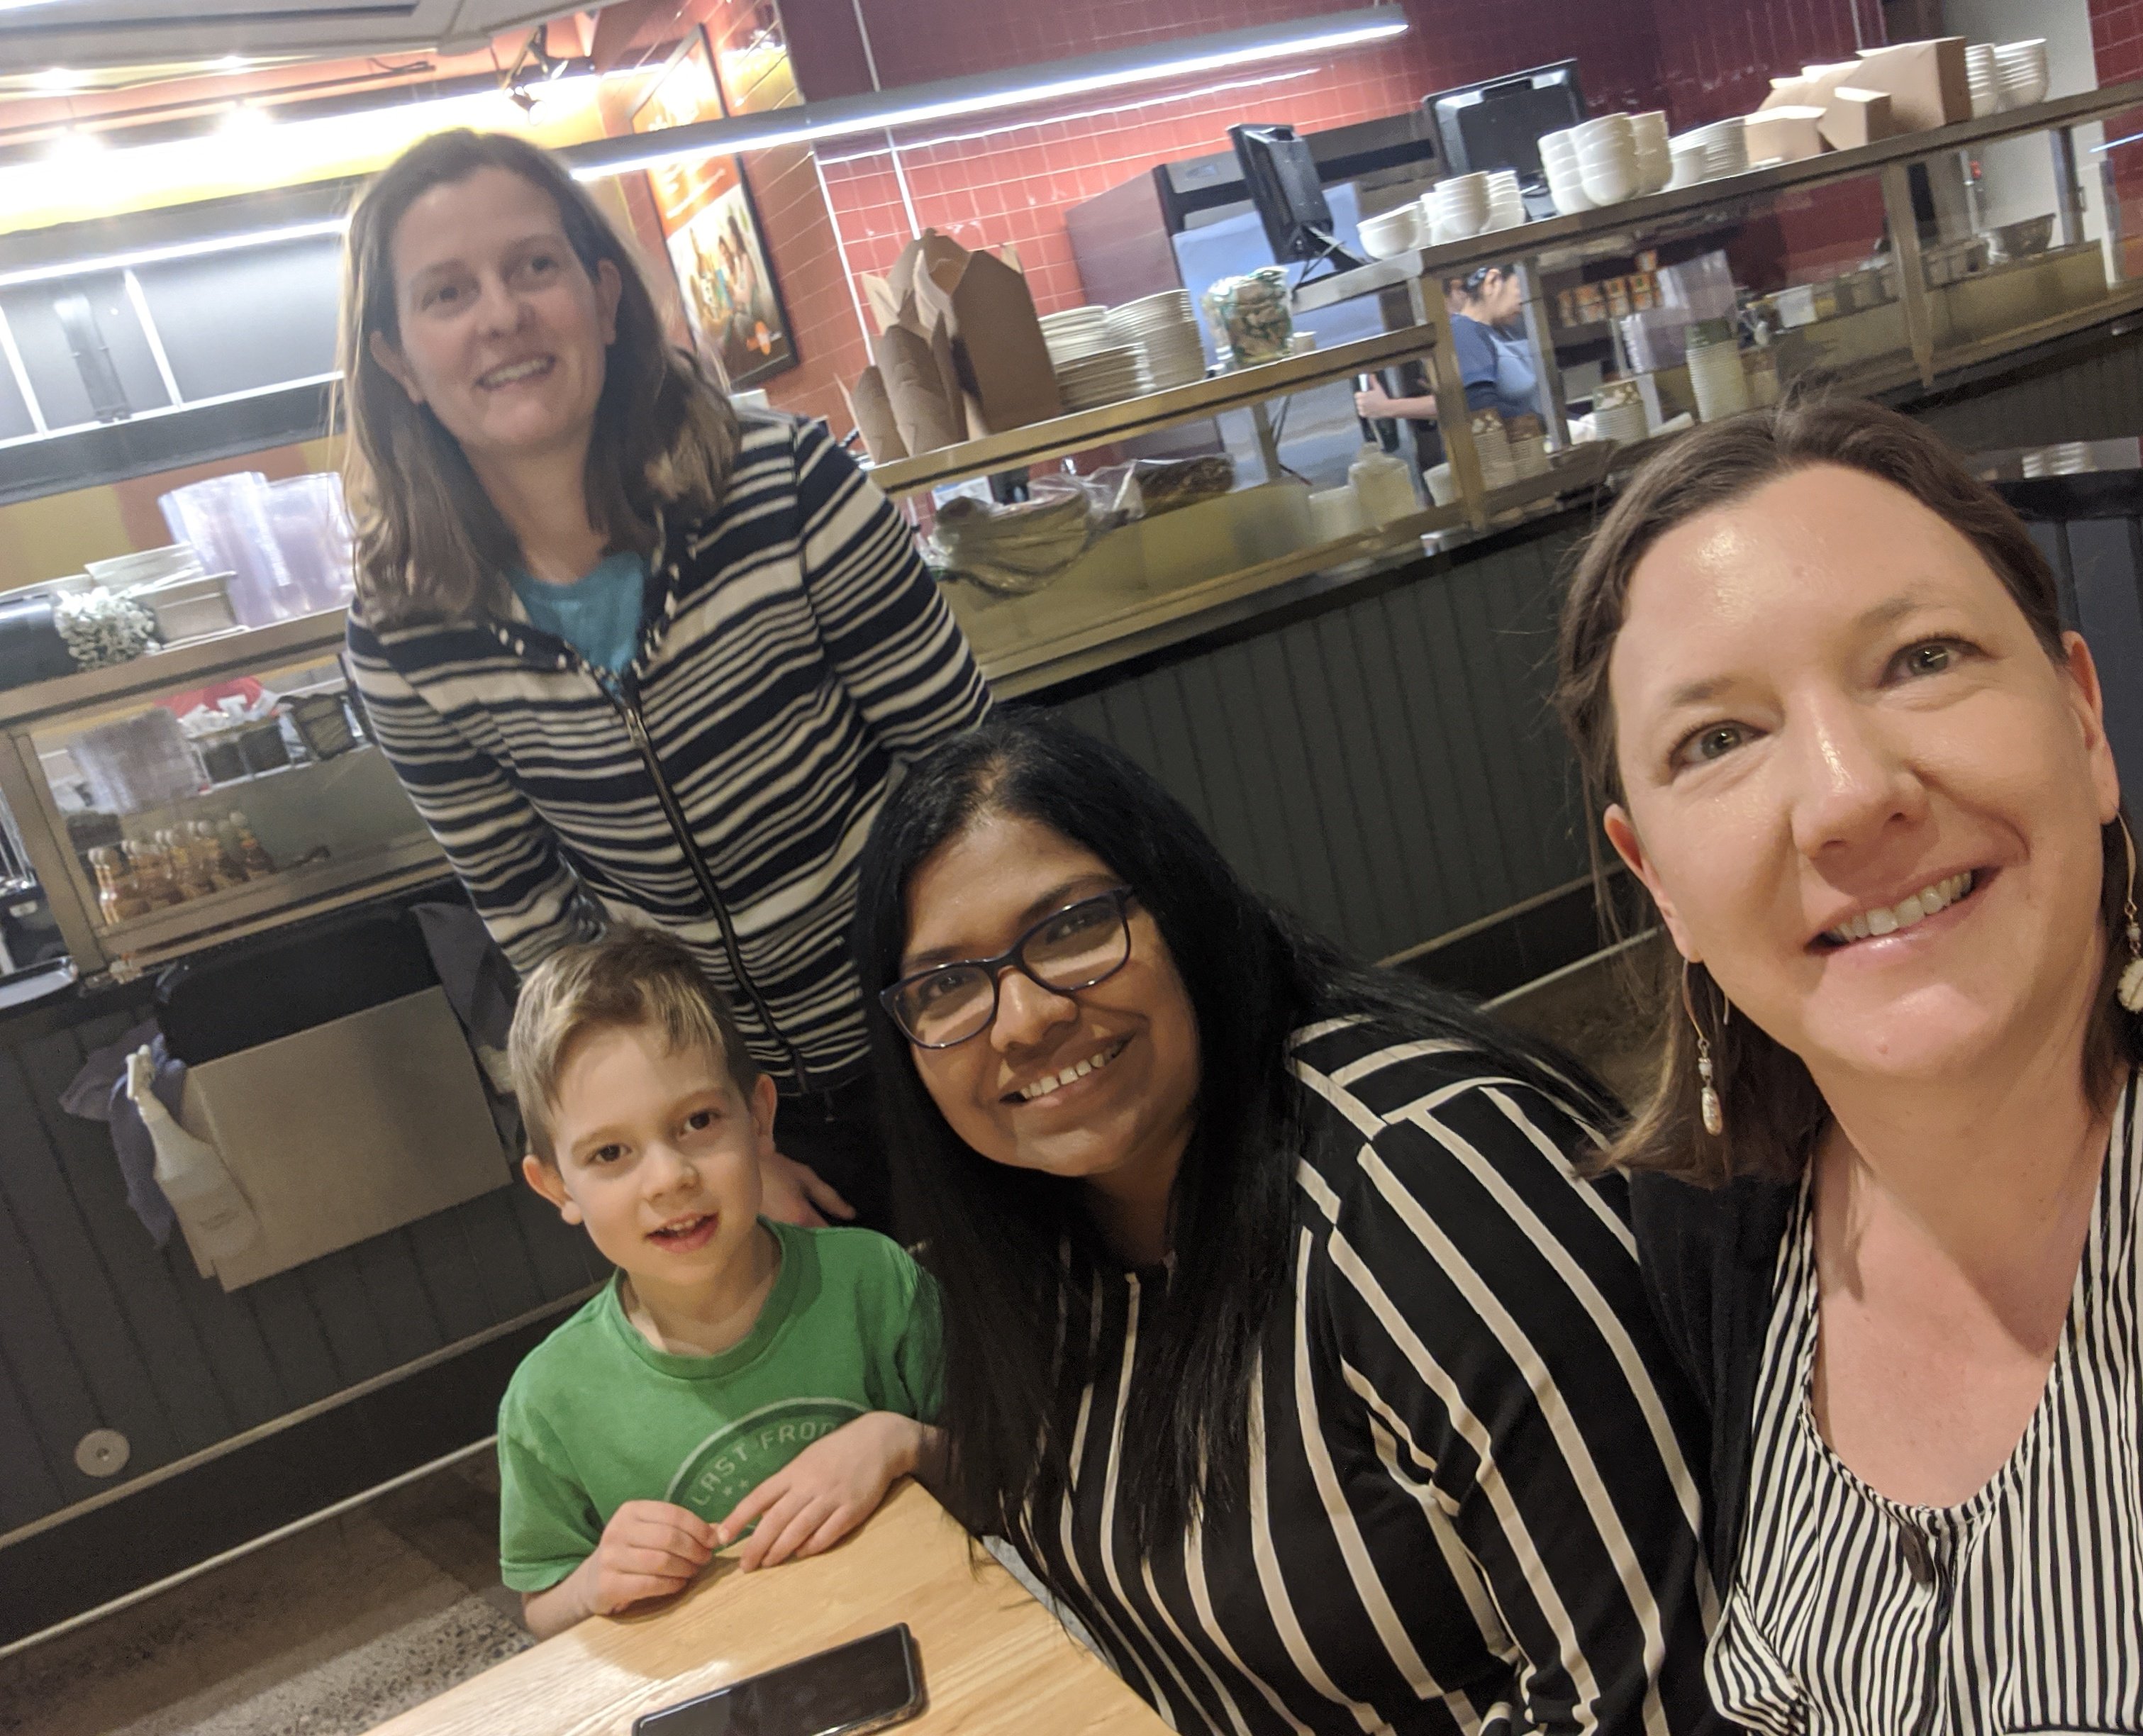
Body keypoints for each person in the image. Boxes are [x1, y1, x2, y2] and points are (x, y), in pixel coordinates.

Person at [1554, 394, 2143, 1730]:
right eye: (1717, 740)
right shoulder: (1715, 1230)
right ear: (1657, 880)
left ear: (2081, 720)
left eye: (1920, 659)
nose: (1849, 795)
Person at [852, 711, 1720, 1736]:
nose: (1027, 1017)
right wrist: (924, 1450)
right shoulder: (1041, 1227)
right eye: (947, 986)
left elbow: (1660, 1691)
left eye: (1073, 927)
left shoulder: (1421, 1184)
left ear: (1182, 908)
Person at [340, 129, 991, 1233]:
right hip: (733, 1114)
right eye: (447, 293)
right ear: (397, 359)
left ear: (603, 298)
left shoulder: (791, 487)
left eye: (533, 266)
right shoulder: (405, 642)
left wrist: (973, 1013)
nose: (501, 315)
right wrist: (718, 1136)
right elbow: (543, 931)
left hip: (946, 1023)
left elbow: (976, 783)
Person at [496, 925, 941, 1640]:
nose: (669, 1178)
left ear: (759, 1118)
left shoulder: (874, 1281)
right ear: (555, 1188)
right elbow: (544, 1608)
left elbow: (1005, 1465)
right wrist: (592, 1581)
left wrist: (901, 1440)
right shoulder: (547, 1401)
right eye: (610, 1153)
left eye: (697, 1121)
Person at [1354, 265, 1539, 422]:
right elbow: (1478, 405)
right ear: (1492, 282)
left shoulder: (1504, 330)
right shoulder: (1464, 331)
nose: (1523, 298)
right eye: (1519, 286)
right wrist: (1543, 423)